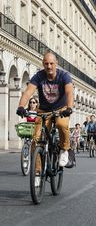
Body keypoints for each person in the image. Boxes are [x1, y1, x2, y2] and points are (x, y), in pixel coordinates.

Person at [16, 51, 75, 181]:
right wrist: (21, 106)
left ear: (56, 64)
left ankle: (65, 149)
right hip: (43, 111)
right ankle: (37, 173)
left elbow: (69, 92)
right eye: (46, 63)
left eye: (51, 63)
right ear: (43, 64)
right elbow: (28, 92)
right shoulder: (39, 76)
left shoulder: (64, 76)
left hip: (61, 109)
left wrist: (69, 108)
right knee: (36, 140)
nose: (49, 66)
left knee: (61, 124)